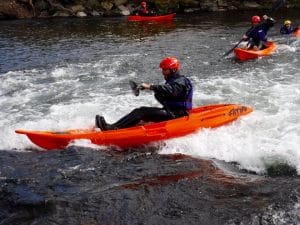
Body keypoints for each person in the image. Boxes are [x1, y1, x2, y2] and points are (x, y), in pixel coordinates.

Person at [95, 57, 193, 131]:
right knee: (144, 111)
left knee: (141, 112)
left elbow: (171, 90)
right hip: (172, 111)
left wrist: (151, 87)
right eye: (162, 69)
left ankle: (112, 128)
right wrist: (153, 90)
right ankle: (118, 126)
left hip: (177, 114)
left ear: (173, 70)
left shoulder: (180, 81)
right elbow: (168, 94)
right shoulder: (174, 80)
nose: (163, 72)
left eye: (165, 69)